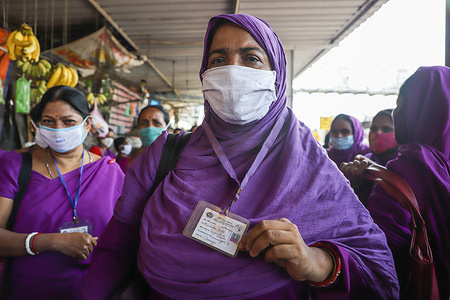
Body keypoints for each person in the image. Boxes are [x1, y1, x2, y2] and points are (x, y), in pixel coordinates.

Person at [82, 14, 399, 299]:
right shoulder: (163, 155)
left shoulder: (312, 166)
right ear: (204, 74)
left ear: (276, 75)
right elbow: (116, 248)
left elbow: (375, 267)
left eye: (251, 58)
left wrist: (316, 263)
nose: (233, 70)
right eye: (219, 60)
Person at [0, 85, 125, 299]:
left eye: (68, 121)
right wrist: (52, 241)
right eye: (49, 121)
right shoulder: (15, 165)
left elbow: (124, 240)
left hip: (96, 289)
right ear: (38, 125)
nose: (58, 128)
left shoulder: (110, 171)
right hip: (29, 289)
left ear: (87, 125)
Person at [366, 66, 449, 299]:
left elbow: (381, 255)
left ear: (419, 110)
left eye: (400, 104)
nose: (396, 112)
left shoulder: (407, 168)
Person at [339, 109, 398, 206]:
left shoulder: (403, 166)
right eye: (373, 129)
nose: (377, 133)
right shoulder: (362, 163)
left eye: (386, 129)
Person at [119, 104, 169, 173]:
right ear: (139, 127)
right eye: (144, 123)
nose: (150, 128)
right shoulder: (126, 164)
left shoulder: (178, 161)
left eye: (156, 123)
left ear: (167, 127)